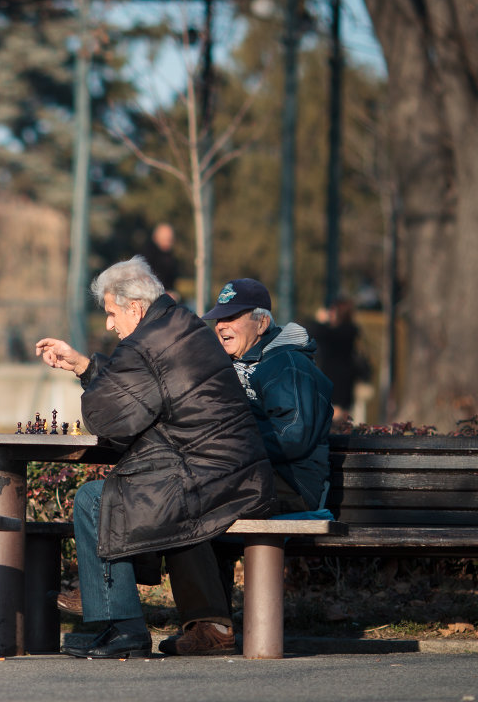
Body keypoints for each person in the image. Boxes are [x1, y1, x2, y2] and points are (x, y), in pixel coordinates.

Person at [36, 257, 274, 659]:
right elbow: (141, 387)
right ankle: (115, 602)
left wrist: (89, 385)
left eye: (112, 313)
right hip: (227, 469)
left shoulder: (147, 342)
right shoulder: (180, 325)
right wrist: (83, 365)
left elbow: (107, 418)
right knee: (135, 494)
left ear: (135, 308)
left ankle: (121, 623)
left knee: (96, 499)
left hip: (209, 475)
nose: (110, 325)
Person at [202, 278, 334, 514]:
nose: (221, 325)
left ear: (261, 323)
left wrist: (227, 446)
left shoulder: (288, 364)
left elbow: (292, 434)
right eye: (219, 319)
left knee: (188, 500)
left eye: (231, 318)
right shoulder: (226, 365)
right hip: (246, 475)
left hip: (289, 485)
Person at [306, 296, 366, 425]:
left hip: (338, 381)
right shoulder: (346, 330)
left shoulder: (345, 331)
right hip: (337, 379)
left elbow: (316, 330)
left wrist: (321, 321)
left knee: (335, 416)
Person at [140, 222, 180, 299]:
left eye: (170, 240)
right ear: (156, 238)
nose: (168, 243)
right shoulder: (147, 257)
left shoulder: (170, 257)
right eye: (165, 239)